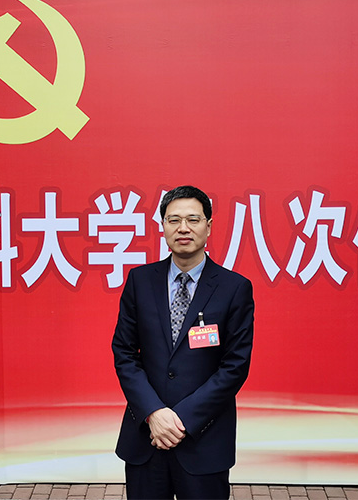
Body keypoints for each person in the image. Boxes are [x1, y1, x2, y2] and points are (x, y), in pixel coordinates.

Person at [112, 185, 254, 500]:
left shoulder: (234, 288)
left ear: (209, 226)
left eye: (193, 219)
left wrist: (181, 420)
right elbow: (124, 353)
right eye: (174, 220)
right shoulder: (140, 281)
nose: (183, 228)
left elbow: (235, 365)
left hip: (204, 440)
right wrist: (153, 413)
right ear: (163, 226)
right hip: (146, 438)